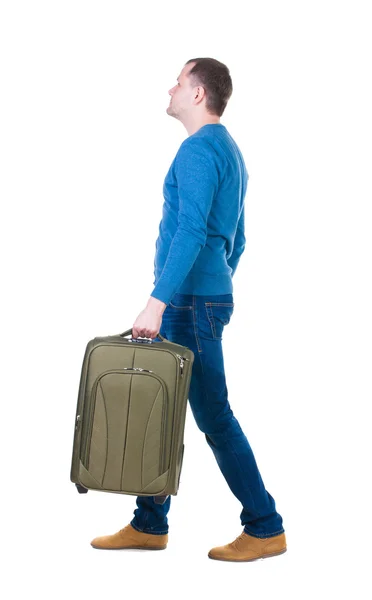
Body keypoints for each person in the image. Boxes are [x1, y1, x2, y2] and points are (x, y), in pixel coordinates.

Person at [90, 57, 287, 562]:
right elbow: (237, 239)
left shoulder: (198, 150)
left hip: (187, 303)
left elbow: (192, 232)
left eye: (179, 81)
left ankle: (265, 525)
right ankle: (150, 522)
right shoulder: (230, 152)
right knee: (167, 408)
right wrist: (216, 287)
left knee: (214, 417)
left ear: (198, 94)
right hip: (203, 297)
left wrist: (160, 301)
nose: (171, 87)